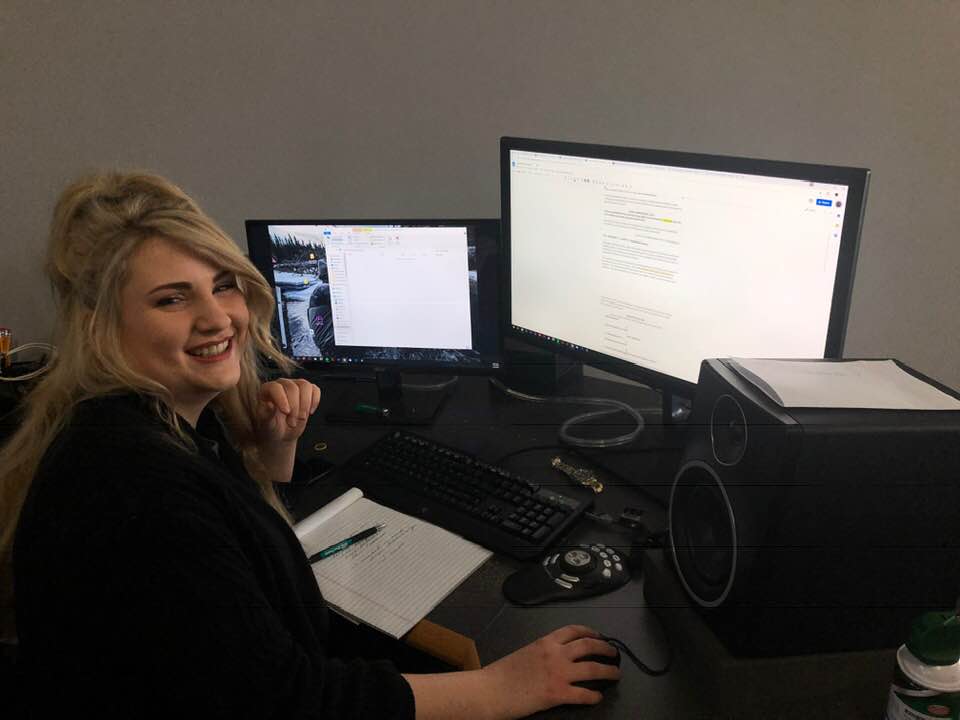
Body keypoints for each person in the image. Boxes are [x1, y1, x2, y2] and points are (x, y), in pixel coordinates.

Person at [0, 172, 620, 718]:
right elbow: (286, 700)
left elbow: (222, 570)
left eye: (223, 285)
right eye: (171, 298)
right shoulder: (134, 489)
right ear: (99, 324)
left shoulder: (141, 422)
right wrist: (496, 690)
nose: (218, 318)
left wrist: (273, 452)